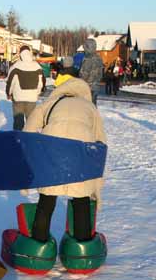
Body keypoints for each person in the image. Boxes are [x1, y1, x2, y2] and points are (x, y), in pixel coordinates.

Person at [22, 73, 107, 244]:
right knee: (81, 197)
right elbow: (100, 141)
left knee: (47, 198)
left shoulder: (50, 104)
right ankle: (81, 245)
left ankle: (39, 242)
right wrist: (97, 185)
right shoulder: (90, 107)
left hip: (52, 147)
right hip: (80, 151)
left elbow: (28, 131)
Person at [5, 45, 45, 131]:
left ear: (20, 54)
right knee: (31, 122)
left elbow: (10, 82)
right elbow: (41, 83)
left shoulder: (15, 66)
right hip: (32, 98)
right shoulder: (37, 66)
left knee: (18, 122)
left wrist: (8, 93)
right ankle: (31, 139)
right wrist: (37, 93)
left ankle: (18, 139)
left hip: (18, 98)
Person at [79, 38, 104, 104]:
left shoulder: (89, 58)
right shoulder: (98, 58)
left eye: (85, 48)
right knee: (92, 106)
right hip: (95, 86)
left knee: (87, 107)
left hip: (88, 87)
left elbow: (84, 74)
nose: (84, 50)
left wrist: (80, 80)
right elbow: (100, 74)